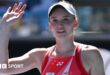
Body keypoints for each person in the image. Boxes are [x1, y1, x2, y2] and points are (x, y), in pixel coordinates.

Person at [0, 1, 105, 75]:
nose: (59, 25)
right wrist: (4, 28)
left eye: (65, 19)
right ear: (50, 26)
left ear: (75, 23)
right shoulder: (39, 56)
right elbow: (3, 68)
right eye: (55, 20)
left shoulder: (90, 54)